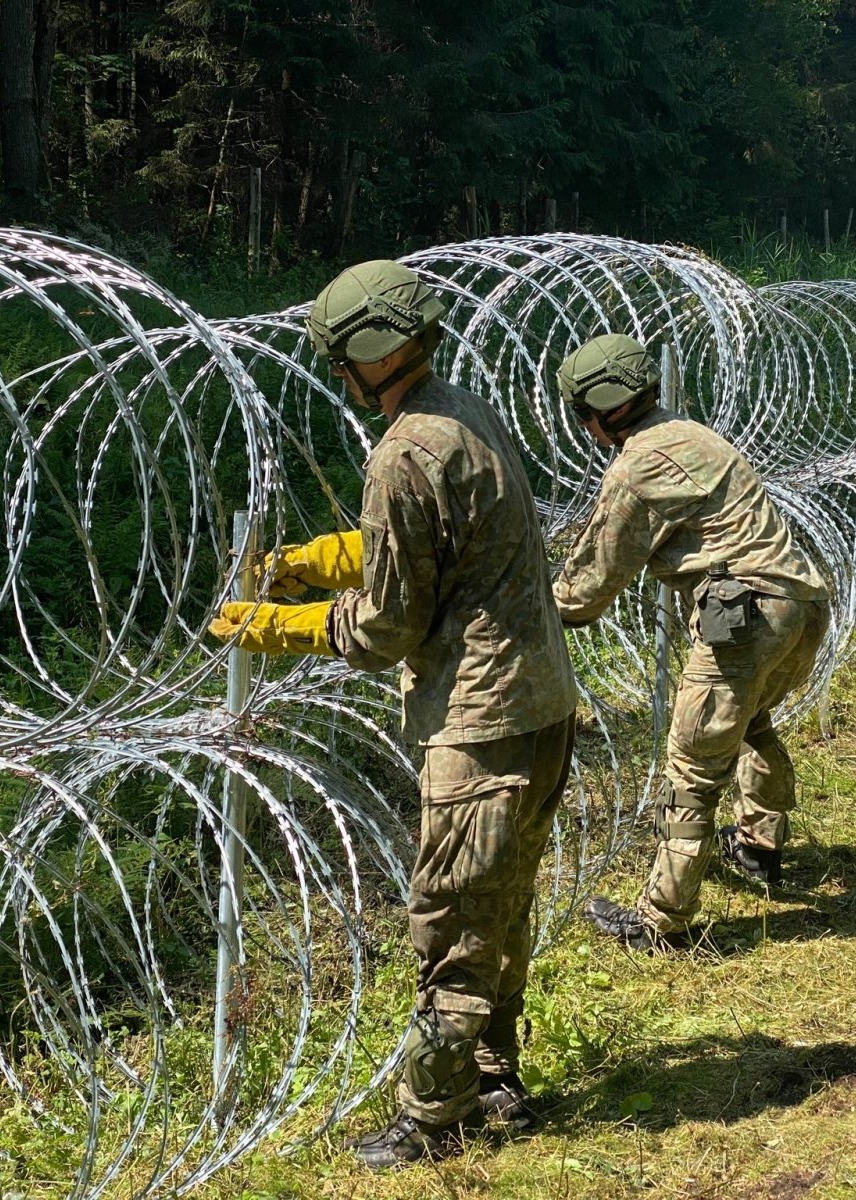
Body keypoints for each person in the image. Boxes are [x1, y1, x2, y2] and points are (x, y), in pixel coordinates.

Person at [209, 259, 578, 1165]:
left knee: (454, 923)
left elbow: (385, 625)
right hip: (541, 705)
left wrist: (274, 625)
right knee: (505, 909)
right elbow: (418, 545)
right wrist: (314, 558)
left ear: (371, 354)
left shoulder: (402, 453)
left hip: (479, 724)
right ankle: (495, 1079)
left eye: (342, 357)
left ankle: (432, 1117)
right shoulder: (461, 411)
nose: (340, 374)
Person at [550, 334, 830, 948]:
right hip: (802, 607)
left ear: (596, 410)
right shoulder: (687, 431)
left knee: (692, 770)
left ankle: (662, 922)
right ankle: (759, 846)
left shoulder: (639, 464)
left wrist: (538, 612)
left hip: (748, 618)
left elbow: (590, 582)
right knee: (752, 724)